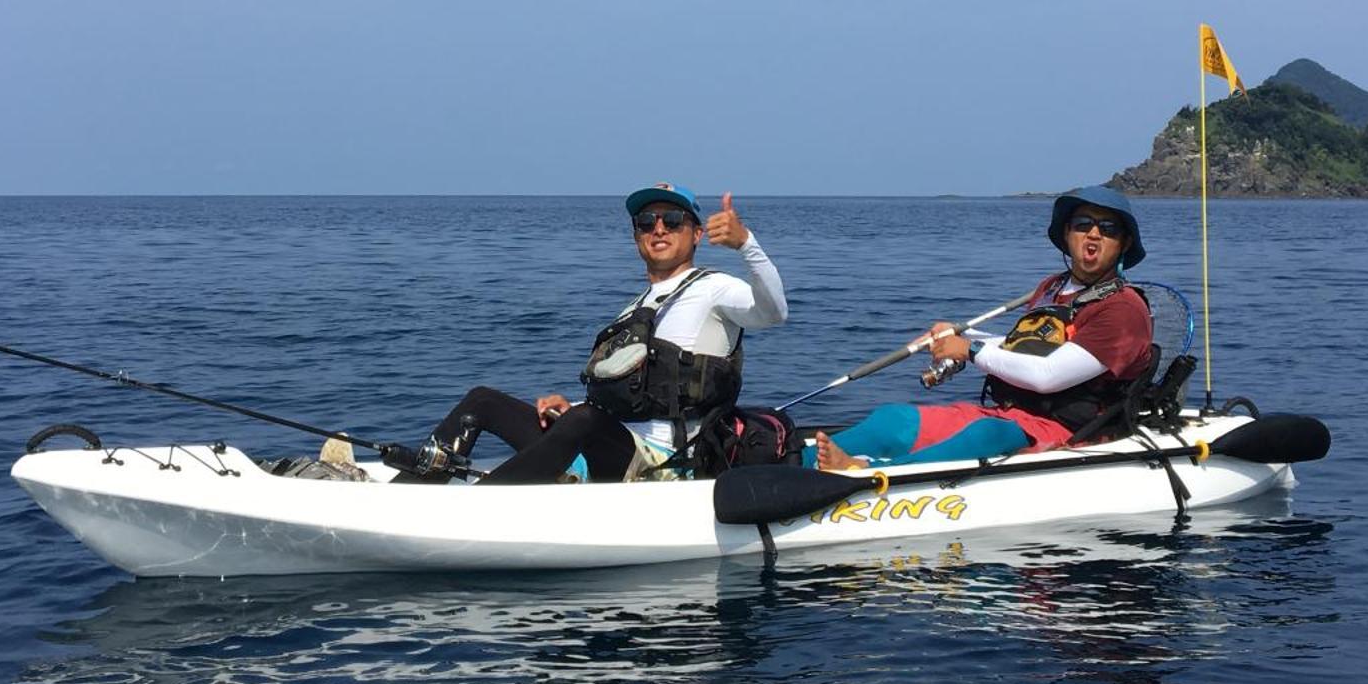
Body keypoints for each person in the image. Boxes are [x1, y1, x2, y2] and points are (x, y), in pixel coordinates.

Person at [394, 184, 788, 485]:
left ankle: (480, 507)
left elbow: (774, 313)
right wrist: (573, 413)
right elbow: (629, 392)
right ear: (637, 236)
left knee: (583, 421)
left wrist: (746, 245)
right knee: (482, 401)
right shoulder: (635, 307)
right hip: (602, 444)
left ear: (697, 234)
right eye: (646, 223)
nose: (659, 229)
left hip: (665, 464)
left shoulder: (715, 288)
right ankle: (411, 488)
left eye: (672, 220)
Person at [814, 186, 1155, 470]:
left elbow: (1047, 374)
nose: (1093, 234)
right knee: (893, 420)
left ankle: (867, 473)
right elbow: (1020, 346)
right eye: (1083, 224)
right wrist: (959, 336)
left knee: (986, 435)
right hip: (1012, 414)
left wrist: (970, 350)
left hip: (1067, 430)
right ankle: (791, 460)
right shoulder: (1052, 287)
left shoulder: (1123, 308)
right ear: (1067, 234)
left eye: (1108, 229)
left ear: (1123, 244)